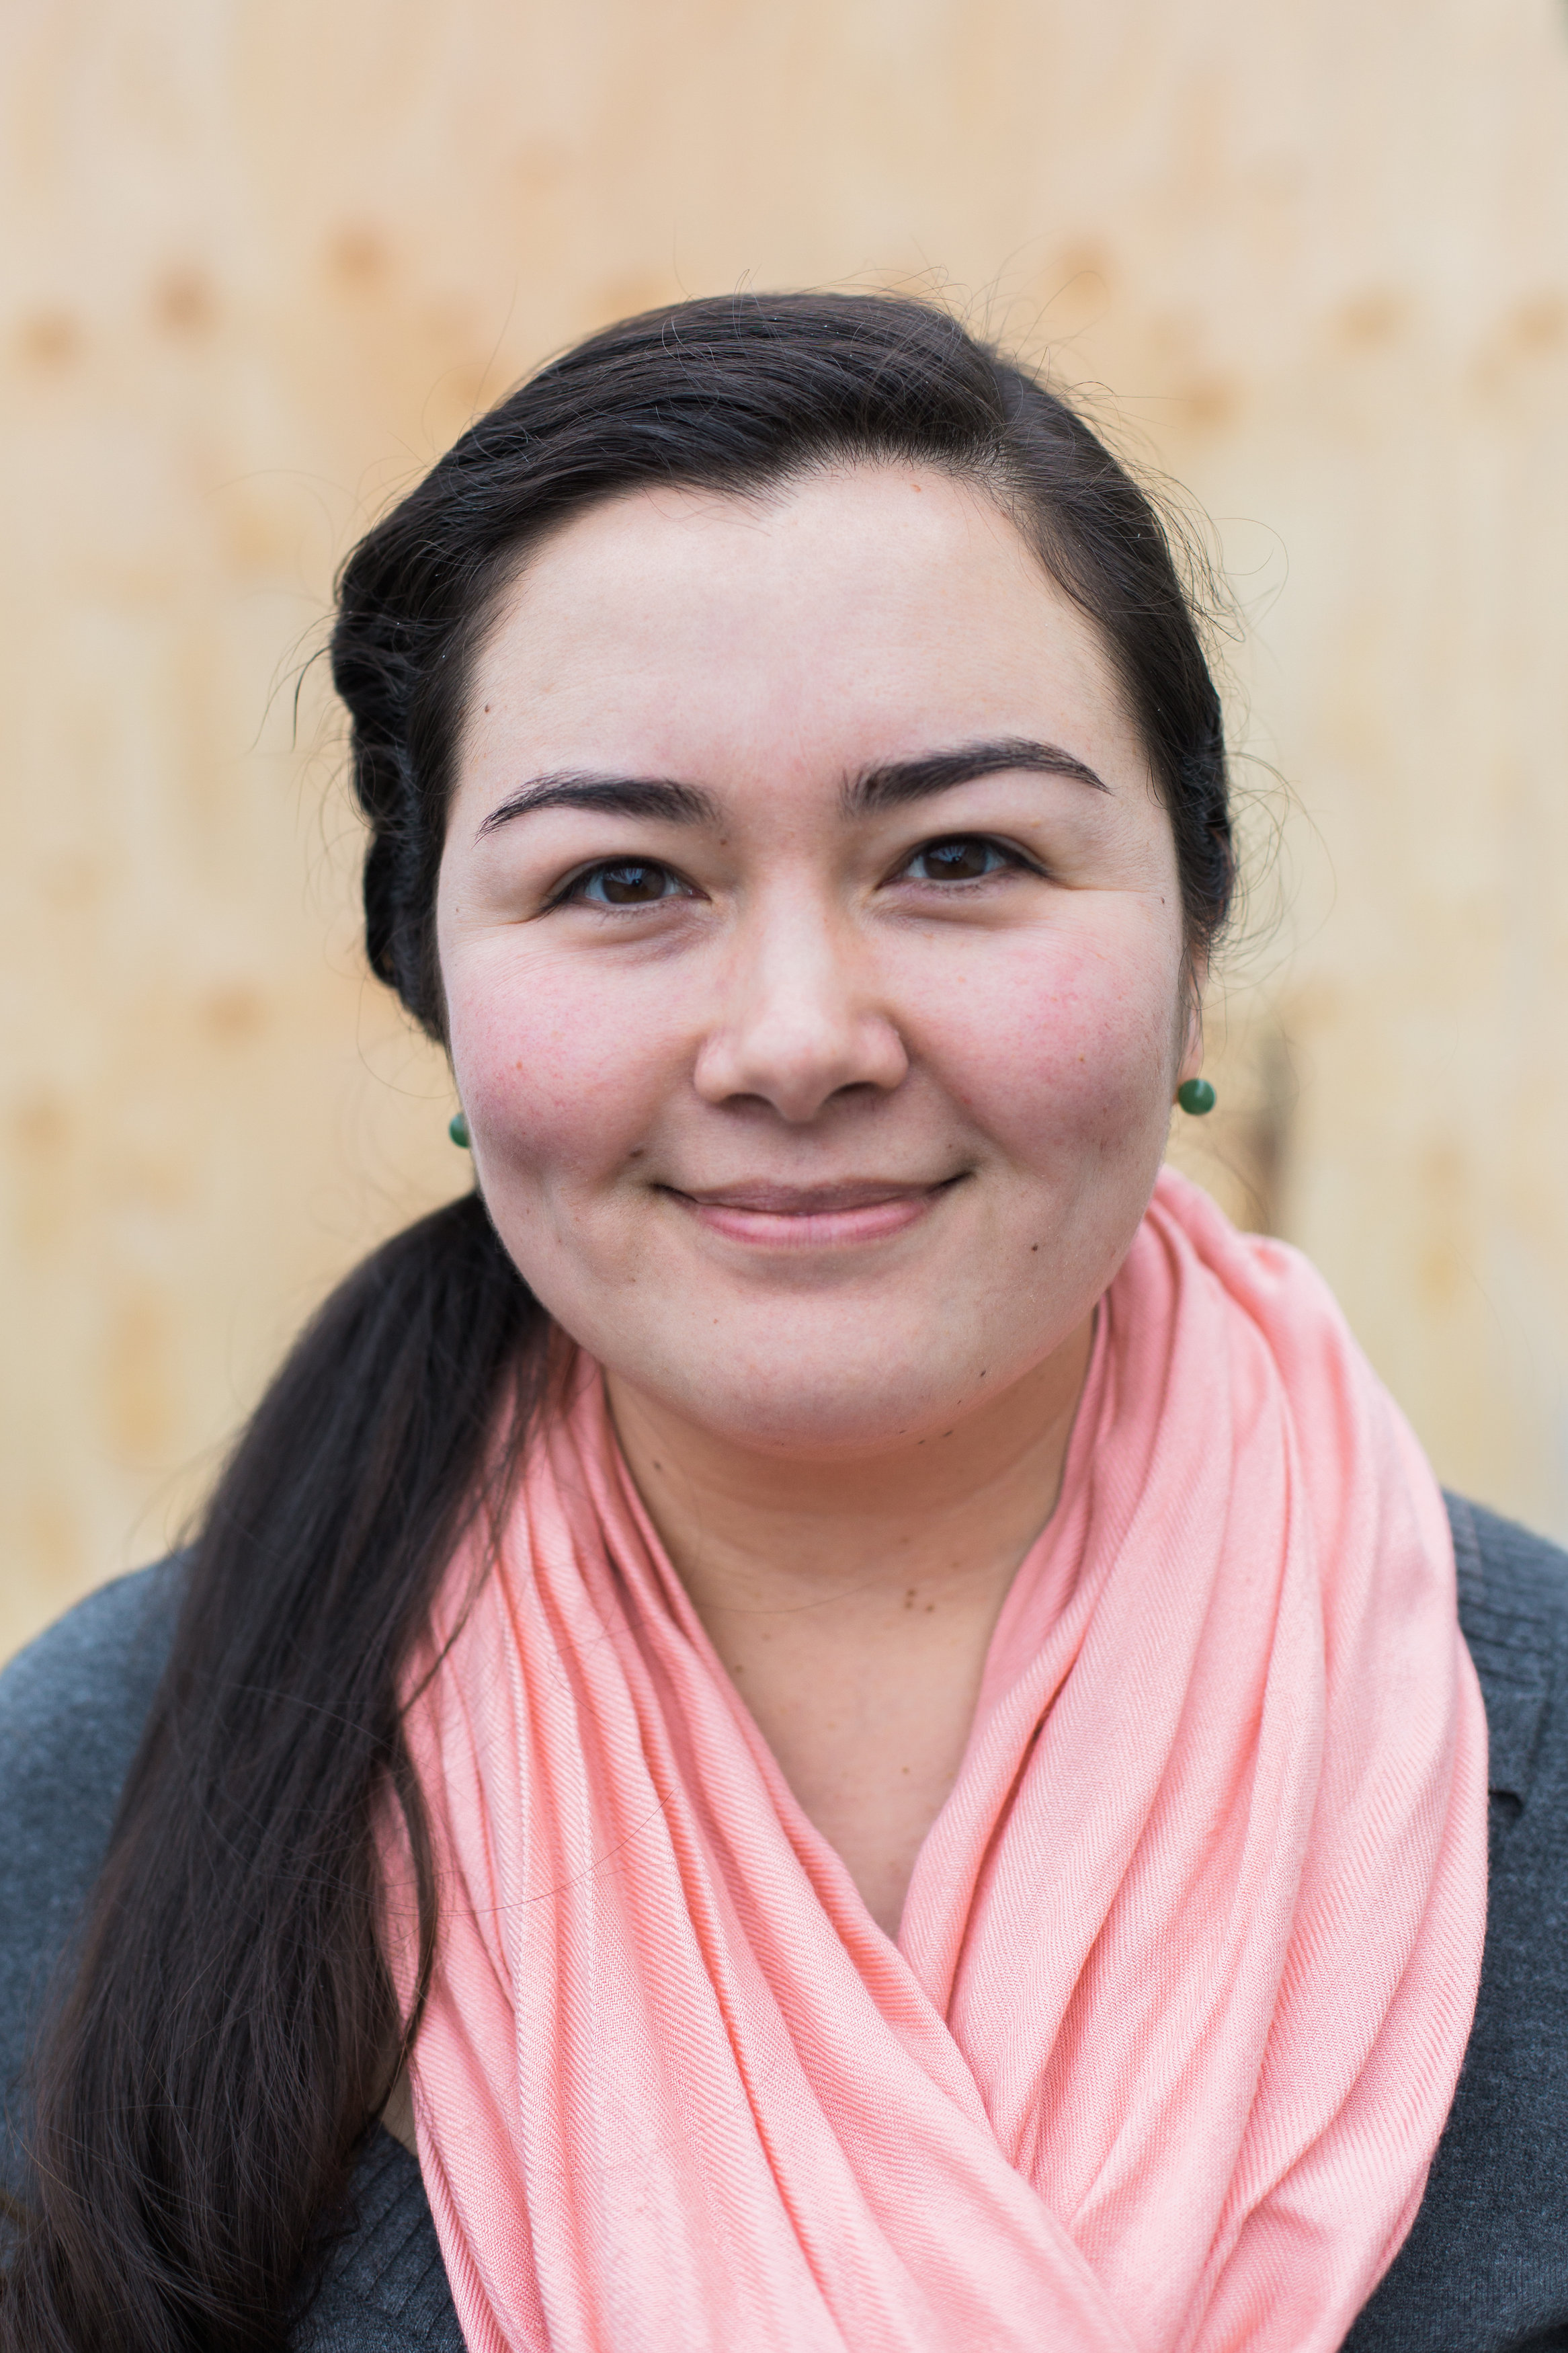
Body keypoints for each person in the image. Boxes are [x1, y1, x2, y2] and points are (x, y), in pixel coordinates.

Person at [2, 292, 1565, 2353]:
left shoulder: (1532, 1757)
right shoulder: (92, 1811)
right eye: (624, 881)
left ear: (1194, 942)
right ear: (437, 990)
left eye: (962, 854)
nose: (800, 1038)